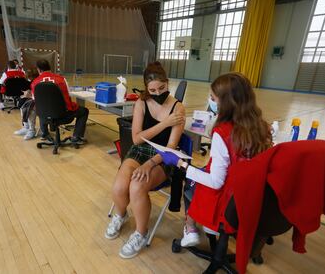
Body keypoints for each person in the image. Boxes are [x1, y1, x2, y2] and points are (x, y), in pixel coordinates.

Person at [156, 72, 272, 246]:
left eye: (213, 98)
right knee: (200, 173)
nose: (211, 102)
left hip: (228, 200)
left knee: (190, 181)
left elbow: (216, 182)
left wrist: (181, 164)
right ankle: (201, 226)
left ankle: (191, 228)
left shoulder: (223, 133)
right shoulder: (262, 127)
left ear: (226, 103)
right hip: (251, 195)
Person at [105, 61, 185, 259]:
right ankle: (121, 215)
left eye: (162, 88)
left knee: (137, 186)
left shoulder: (178, 108)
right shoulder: (141, 102)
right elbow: (136, 138)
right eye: (152, 90)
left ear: (167, 83)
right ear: (146, 88)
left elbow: (171, 148)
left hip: (163, 157)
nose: (157, 93)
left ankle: (141, 233)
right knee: (119, 187)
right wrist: (165, 123)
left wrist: (150, 164)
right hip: (139, 150)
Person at [31, 59, 89, 144]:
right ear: (50, 68)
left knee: (42, 106)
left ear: (38, 69)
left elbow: (36, 100)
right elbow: (68, 95)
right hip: (63, 115)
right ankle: (77, 137)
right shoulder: (61, 79)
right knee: (84, 111)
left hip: (45, 116)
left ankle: (45, 133)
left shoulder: (34, 83)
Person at [14, 68, 39, 140]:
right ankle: (26, 127)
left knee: (30, 108)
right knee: (23, 105)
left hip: (40, 102)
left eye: (29, 77)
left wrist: (29, 95)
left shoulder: (37, 82)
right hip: (33, 99)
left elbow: (36, 96)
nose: (28, 79)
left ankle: (32, 130)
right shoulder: (31, 82)